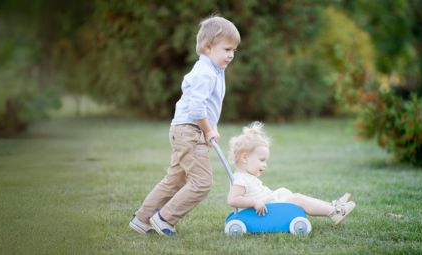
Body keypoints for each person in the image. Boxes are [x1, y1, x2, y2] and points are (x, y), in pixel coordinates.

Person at [129, 15, 239, 236]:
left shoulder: (214, 70)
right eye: (227, 49)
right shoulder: (205, 73)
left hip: (186, 130)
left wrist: (212, 128)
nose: (231, 55)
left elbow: (206, 105)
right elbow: (197, 109)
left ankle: (142, 219)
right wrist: (207, 129)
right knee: (202, 183)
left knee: (175, 180)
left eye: (234, 50)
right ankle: (164, 218)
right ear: (207, 47)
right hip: (190, 132)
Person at [226, 122, 356, 225]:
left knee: (298, 197)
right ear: (245, 158)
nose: (265, 164)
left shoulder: (247, 176)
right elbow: (232, 200)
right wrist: (254, 203)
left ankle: (333, 207)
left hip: (269, 204)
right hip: (264, 210)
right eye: (262, 160)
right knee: (297, 199)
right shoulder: (240, 180)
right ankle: (333, 212)